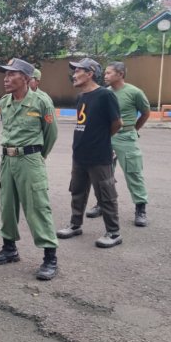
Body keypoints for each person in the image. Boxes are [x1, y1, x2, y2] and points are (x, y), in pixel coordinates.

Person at [0, 58, 59, 280]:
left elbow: (51, 134)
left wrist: (37, 156)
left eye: (12, 74)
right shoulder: (4, 102)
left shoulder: (40, 102)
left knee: (37, 207)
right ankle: (9, 248)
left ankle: (50, 258)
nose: (6, 79)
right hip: (7, 159)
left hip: (30, 160)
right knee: (7, 205)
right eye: (5, 75)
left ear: (26, 79)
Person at [57, 58, 123, 249]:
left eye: (78, 71)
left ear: (90, 73)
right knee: (77, 191)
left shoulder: (105, 96)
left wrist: (101, 140)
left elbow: (117, 123)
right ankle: (75, 225)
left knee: (105, 194)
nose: (74, 75)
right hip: (79, 154)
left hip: (99, 155)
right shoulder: (81, 97)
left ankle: (113, 232)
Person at [86, 62, 151, 226]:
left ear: (120, 74)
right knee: (103, 175)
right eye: (105, 73)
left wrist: (134, 129)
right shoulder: (104, 93)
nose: (105, 76)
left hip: (126, 137)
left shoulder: (134, 92)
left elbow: (145, 112)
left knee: (133, 172)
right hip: (107, 137)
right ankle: (102, 204)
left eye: (108, 73)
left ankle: (140, 209)